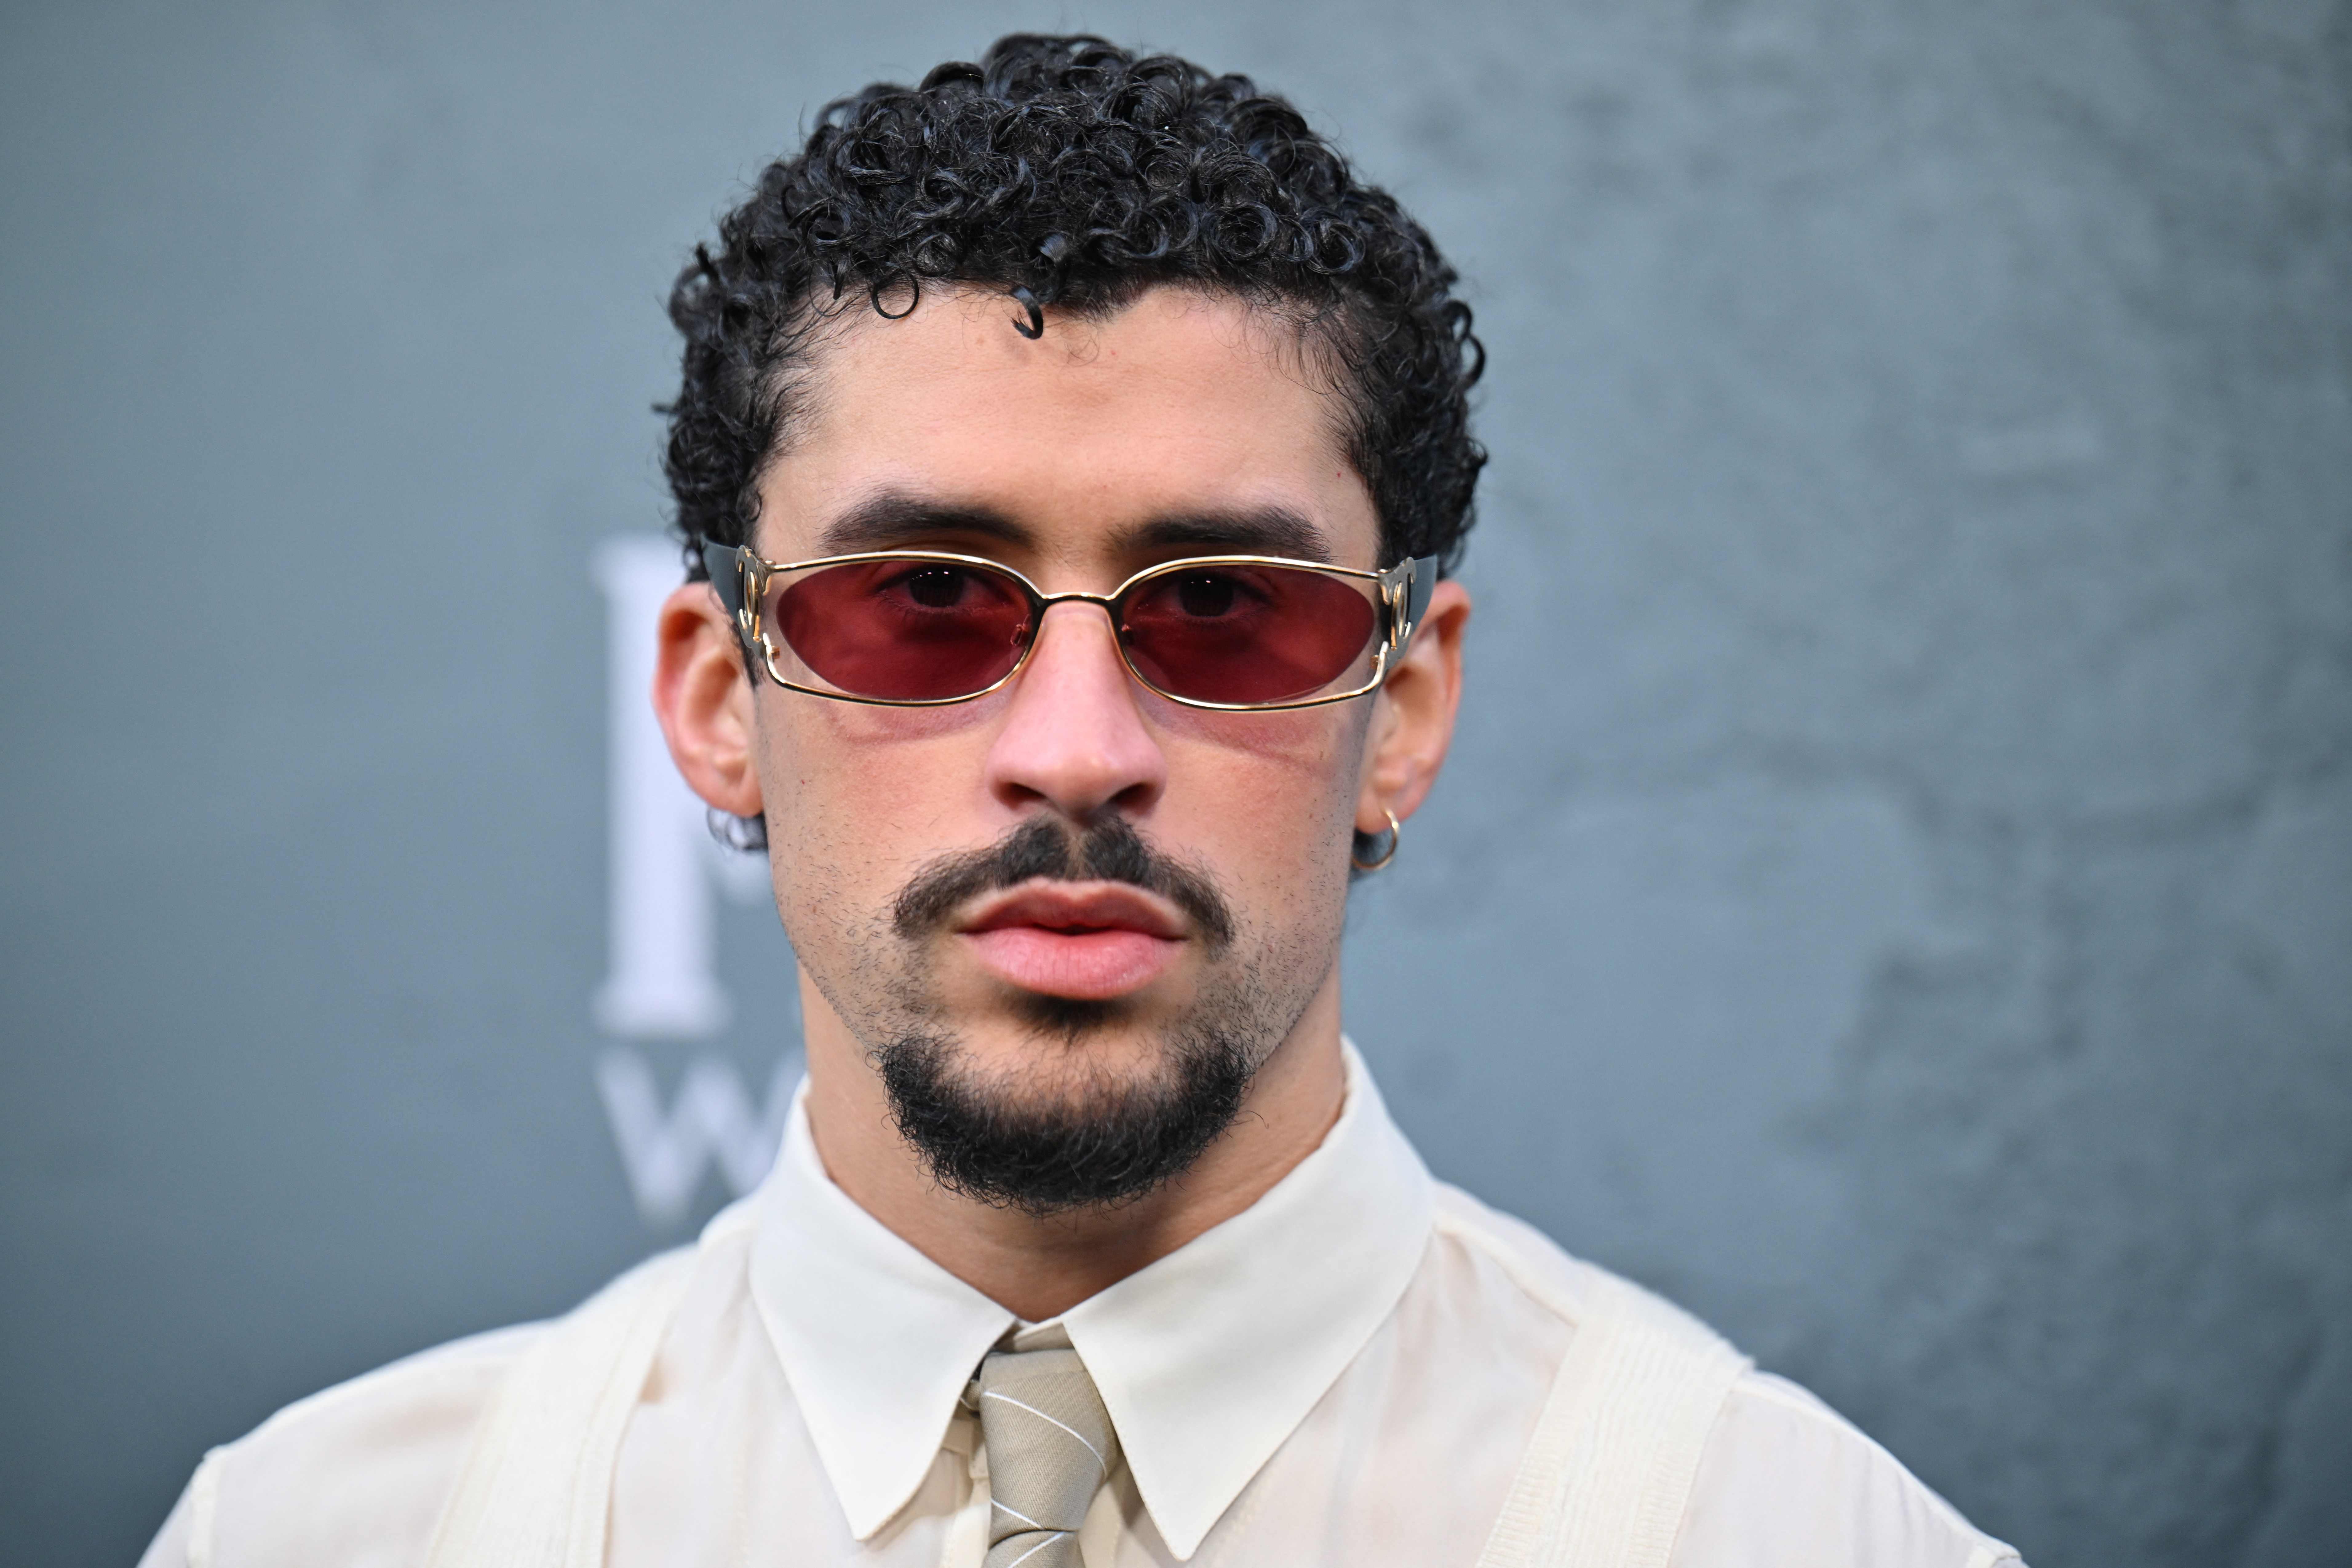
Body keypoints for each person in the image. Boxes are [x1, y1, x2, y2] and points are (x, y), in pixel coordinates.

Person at [141, 34, 2022, 1568]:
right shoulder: (321, 1534)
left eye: (1225, 610)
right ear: (721, 702)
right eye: (923, 604)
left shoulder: (1789, 1537)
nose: (1074, 746)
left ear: (1407, 708)